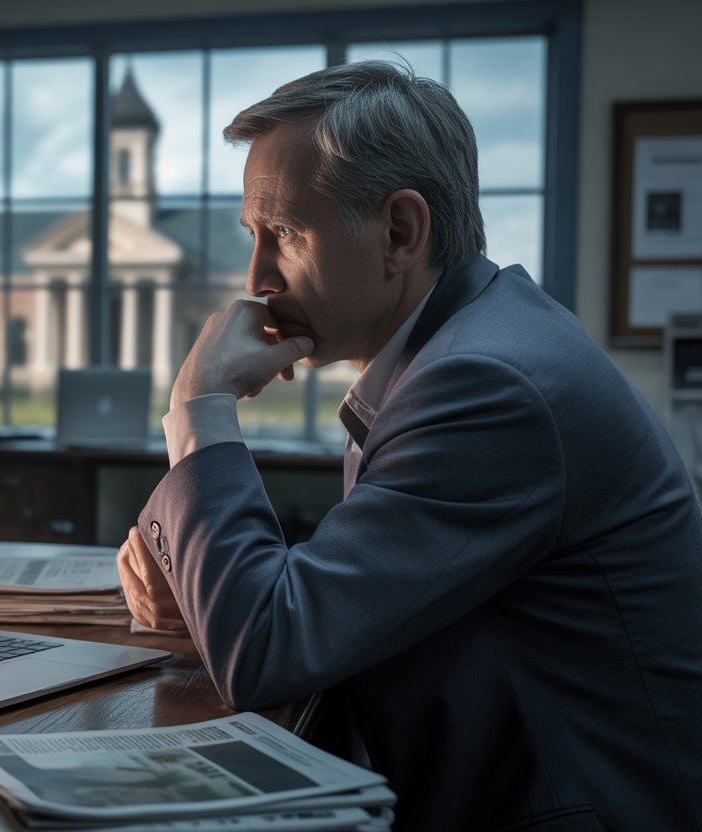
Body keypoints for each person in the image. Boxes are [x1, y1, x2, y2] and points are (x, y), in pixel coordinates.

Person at [117, 61, 702, 830]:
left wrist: (198, 403)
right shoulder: (466, 345)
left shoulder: (486, 385)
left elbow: (265, 649)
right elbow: (331, 607)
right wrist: (210, 590)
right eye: (252, 236)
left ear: (400, 231)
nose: (256, 277)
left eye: (285, 233)